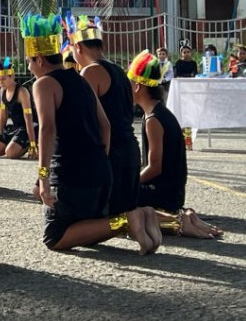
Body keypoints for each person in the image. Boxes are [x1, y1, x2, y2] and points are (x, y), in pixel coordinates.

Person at [24, 13, 160, 254]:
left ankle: (126, 221)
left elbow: (46, 128)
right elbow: (105, 126)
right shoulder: (81, 79)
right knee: (83, 230)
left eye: (29, 61)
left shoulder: (44, 84)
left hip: (71, 172)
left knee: (54, 237)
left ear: (40, 59)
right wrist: (99, 161)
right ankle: (137, 217)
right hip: (100, 168)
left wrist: (43, 176)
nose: (28, 67)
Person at [128, 51, 223, 239]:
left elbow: (154, 168)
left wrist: (129, 184)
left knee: (117, 204)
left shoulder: (153, 119)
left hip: (164, 193)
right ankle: (186, 215)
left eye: (128, 84)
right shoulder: (158, 112)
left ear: (138, 87)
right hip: (172, 191)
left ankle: (176, 221)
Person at [69, 14, 142, 221]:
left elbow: (89, 119)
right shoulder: (120, 71)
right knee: (127, 212)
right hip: (130, 151)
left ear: (78, 48)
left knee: (109, 218)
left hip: (112, 153)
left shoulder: (90, 72)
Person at [0, 57, 37, 159]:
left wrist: (33, 145)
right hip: (15, 128)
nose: (1, 82)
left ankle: (29, 145)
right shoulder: (2, 91)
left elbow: (28, 119)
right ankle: (12, 144)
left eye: (4, 79)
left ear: (12, 77)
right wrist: (1, 137)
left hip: (28, 127)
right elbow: (3, 116)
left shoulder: (22, 92)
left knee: (10, 153)